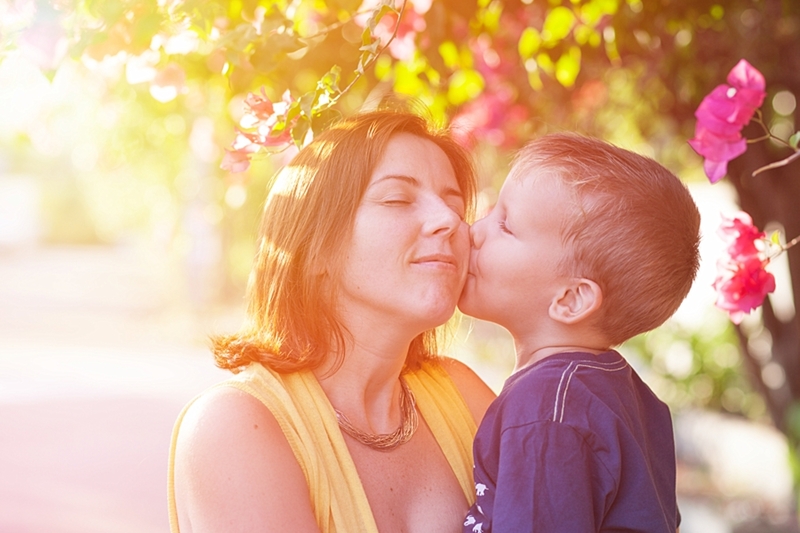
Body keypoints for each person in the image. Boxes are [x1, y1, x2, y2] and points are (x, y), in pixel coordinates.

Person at [167, 109, 496, 533]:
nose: (450, 221)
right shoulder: (236, 425)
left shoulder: (461, 395)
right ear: (316, 248)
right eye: (398, 199)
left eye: (455, 205)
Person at [459, 133, 700, 533]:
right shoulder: (627, 396)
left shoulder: (544, 412)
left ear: (570, 299)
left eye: (505, 225)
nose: (475, 231)